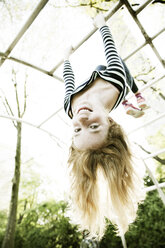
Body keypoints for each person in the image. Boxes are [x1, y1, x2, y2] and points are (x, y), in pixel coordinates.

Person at [63, 13, 145, 239]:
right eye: (94, 127)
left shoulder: (70, 108)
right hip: (113, 78)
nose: (82, 120)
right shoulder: (115, 83)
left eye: (77, 130)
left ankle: (135, 98)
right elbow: (110, 49)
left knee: (105, 67)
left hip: (96, 74)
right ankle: (136, 94)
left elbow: (68, 79)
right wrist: (102, 25)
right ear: (110, 121)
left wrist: (66, 57)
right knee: (122, 67)